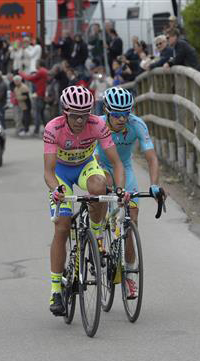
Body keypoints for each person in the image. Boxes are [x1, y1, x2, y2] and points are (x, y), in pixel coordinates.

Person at [44, 85, 126, 316]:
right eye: (75, 115)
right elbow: (48, 171)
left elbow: (117, 163)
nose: (80, 120)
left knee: (99, 187)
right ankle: (55, 289)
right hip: (61, 172)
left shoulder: (98, 124)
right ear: (65, 112)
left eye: (85, 114)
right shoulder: (53, 128)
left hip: (85, 166)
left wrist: (119, 189)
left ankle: (96, 233)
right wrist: (56, 189)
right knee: (62, 225)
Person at [95, 87, 165, 298]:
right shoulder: (98, 125)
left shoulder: (137, 124)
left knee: (131, 221)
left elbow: (152, 158)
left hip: (124, 167)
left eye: (126, 113)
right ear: (107, 111)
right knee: (105, 192)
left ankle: (129, 277)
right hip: (101, 165)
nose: (121, 118)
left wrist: (154, 184)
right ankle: (98, 234)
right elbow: (93, 157)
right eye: (116, 114)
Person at [20, 59, 48, 136]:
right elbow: (35, 80)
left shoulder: (41, 71)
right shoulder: (44, 71)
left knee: (37, 113)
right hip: (42, 95)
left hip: (39, 95)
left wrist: (21, 73)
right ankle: (47, 130)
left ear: (39, 64)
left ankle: (36, 130)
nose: (35, 65)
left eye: (36, 63)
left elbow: (30, 79)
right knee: (42, 113)